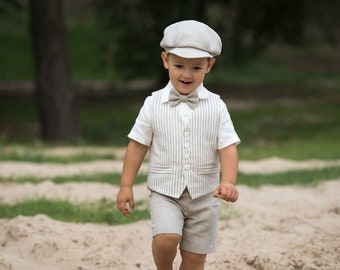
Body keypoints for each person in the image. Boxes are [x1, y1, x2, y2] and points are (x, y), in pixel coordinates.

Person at [117, 20, 240, 270]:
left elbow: (227, 147)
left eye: (196, 67)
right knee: (166, 238)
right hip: (165, 191)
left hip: (205, 196)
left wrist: (228, 181)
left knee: (194, 261)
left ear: (209, 65)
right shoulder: (152, 104)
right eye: (179, 65)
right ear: (165, 61)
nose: (186, 74)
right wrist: (126, 185)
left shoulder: (217, 106)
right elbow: (137, 145)